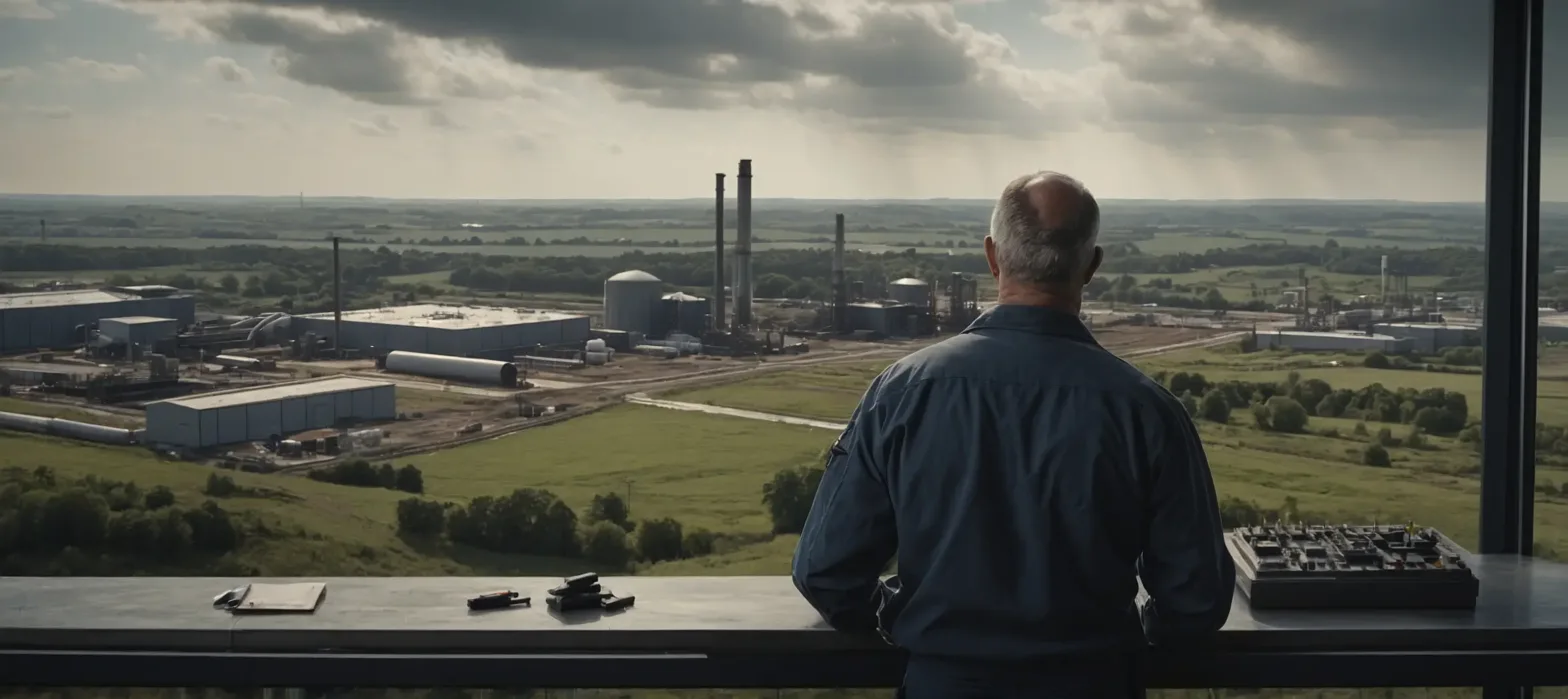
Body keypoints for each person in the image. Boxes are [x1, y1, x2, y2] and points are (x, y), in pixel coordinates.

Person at [791, 171, 1235, 698]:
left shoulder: (903, 392)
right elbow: (1196, 601)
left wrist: (899, 616)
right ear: (1091, 266)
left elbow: (825, 573)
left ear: (992, 256)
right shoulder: (1148, 411)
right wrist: (1141, 630)